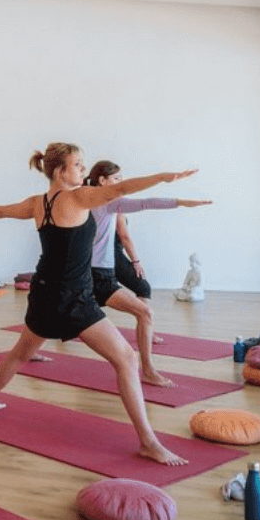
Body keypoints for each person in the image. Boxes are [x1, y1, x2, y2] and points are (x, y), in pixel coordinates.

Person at [0, 143, 195, 466]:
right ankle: (148, 442)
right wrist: (164, 176)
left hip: (44, 291)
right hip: (73, 299)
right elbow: (121, 188)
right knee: (127, 359)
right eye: (77, 165)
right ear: (60, 171)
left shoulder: (38, 203)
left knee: (21, 353)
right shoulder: (78, 197)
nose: (82, 171)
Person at [84, 160, 212, 386]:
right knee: (145, 313)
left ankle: (29, 349)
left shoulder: (82, 197)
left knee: (56, 314)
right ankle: (149, 371)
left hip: (85, 273)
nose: (120, 184)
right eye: (116, 180)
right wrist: (181, 202)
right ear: (102, 181)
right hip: (99, 275)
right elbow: (146, 203)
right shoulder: (106, 202)